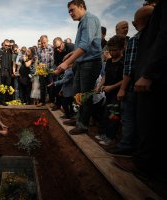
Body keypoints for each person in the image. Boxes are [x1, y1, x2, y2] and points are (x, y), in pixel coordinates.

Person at [114, 1, 167, 181]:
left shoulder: (139, 39)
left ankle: (144, 164)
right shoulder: (141, 37)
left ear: (138, 23)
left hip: (145, 82)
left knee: (145, 122)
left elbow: (129, 68)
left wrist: (147, 74)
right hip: (147, 80)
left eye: (132, 24)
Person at [108, 5, 154, 157]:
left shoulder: (135, 40)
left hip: (132, 87)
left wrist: (122, 88)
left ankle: (126, 146)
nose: (126, 29)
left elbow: (129, 68)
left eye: (128, 26)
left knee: (128, 117)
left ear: (135, 24)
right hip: (149, 85)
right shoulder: (156, 38)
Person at [54, 0, 102, 135]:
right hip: (82, 63)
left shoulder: (89, 20)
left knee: (85, 95)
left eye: (72, 10)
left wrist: (67, 62)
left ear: (81, 7)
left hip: (90, 63)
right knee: (77, 93)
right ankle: (78, 119)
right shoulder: (83, 21)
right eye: (69, 11)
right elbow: (82, 44)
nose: (70, 13)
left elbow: (85, 45)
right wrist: (70, 54)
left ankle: (83, 125)